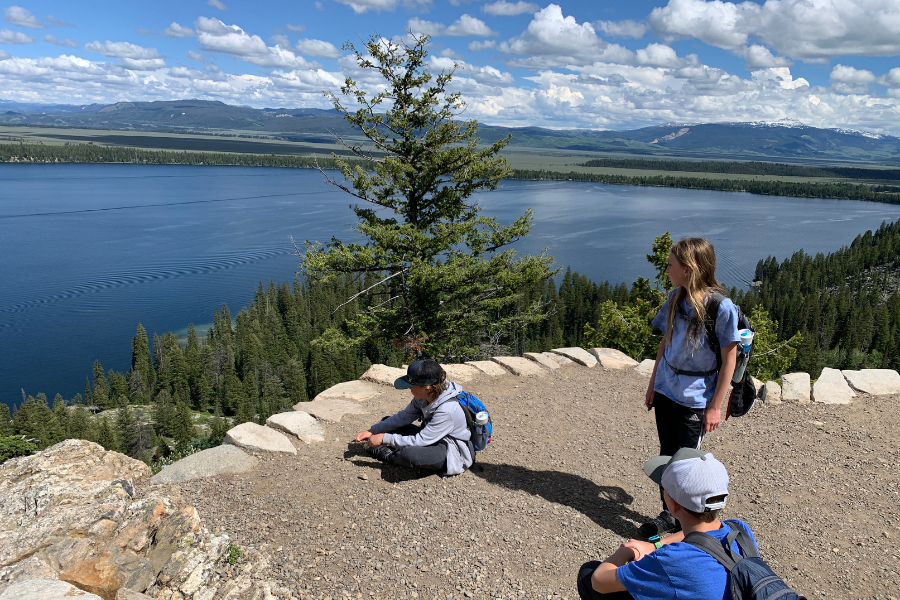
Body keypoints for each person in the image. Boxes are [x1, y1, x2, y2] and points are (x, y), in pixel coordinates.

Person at [639, 237, 740, 538]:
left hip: (695, 398)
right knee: (667, 456)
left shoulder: (721, 308)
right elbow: (665, 342)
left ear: (689, 269)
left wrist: (714, 407)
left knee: (685, 462)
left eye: (671, 265)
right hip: (668, 389)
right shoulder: (675, 298)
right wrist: (653, 384)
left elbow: (729, 359)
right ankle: (669, 517)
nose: (667, 269)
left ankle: (687, 523)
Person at [576, 448, 759, 600]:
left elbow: (599, 581)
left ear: (673, 504)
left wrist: (625, 551)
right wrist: (653, 545)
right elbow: (701, 537)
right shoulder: (739, 528)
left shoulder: (671, 560)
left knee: (588, 573)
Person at [354, 359, 474, 476]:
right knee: (386, 422)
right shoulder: (424, 397)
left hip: (449, 449)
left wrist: (385, 439)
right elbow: (404, 417)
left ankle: (389, 455)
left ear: (427, 389)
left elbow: (421, 440)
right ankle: (394, 450)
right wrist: (373, 430)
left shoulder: (447, 411)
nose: (409, 389)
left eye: (412, 386)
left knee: (410, 454)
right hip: (431, 435)